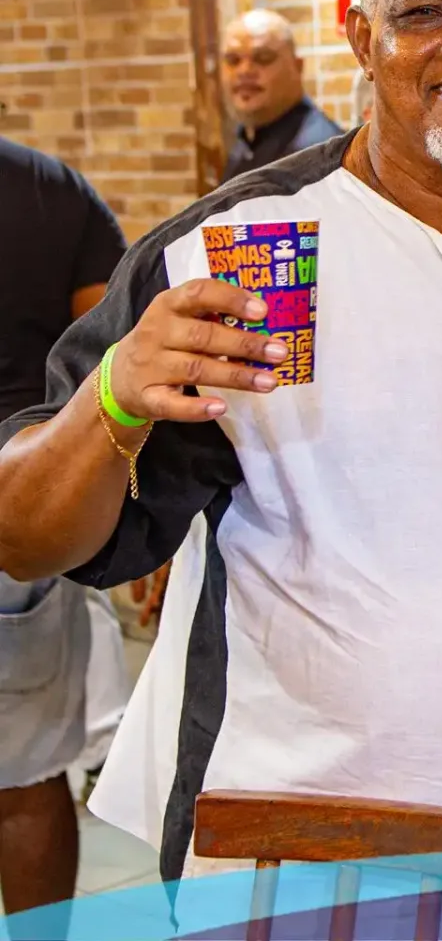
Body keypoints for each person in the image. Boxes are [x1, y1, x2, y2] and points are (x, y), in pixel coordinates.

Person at [0, 0, 442, 893]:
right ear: (361, 37)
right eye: (424, 12)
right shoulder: (247, 249)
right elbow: (27, 536)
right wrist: (116, 400)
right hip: (295, 846)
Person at [0, 137, 126, 920]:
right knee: (25, 771)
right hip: (22, 485)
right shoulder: (54, 189)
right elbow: (104, 352)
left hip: (24, 504)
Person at [219, 9, 340, 182]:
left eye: (263, 58)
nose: (244, 71)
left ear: (297, 67)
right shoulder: (246, 140)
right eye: (233, 60)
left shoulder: (318, 154)